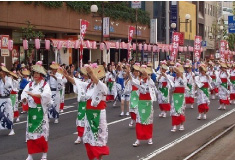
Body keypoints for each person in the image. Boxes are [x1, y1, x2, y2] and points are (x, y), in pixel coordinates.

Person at [63, 63, 109, 160]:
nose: (91, 77)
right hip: (88, 114)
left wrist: (92, 73)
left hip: (98, 114)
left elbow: (97, 81)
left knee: (98, 137)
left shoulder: (102, 86)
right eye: (91, 75)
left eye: (93, 75)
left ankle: (99, 158)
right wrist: (67, 76)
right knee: (89, 138)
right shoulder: (88, 85)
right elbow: (76, 82)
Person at [21, 61, 51, 160]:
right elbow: (24, 94)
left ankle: (44, 154)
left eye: (38, 73)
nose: (36, 75)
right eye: (34, 73)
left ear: (41, 75)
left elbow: (46, 96)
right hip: (32, 113)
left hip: (41, 112)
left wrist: (34, 95)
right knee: (30, 134)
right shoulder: (30, 84)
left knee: (42, 134)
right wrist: (24, 99)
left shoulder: (45, 85)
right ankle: (30, 154)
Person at [128, 65, 156, 147]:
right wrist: (128, 72)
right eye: (142, 74)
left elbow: (153, 85)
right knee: (139, 121)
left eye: (145, 74)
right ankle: (138, 139)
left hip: (148, 103)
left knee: (148, 120)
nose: (143, 75)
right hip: (140, 103)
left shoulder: (150, 81)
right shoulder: (138, 81)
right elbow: (132, 80)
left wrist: (147, 76)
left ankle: (149, 138)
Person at [170, 63, 187, 132]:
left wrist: (178, 70)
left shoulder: (184, 78)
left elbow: (184, 84)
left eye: (178, 72)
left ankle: (181, 125)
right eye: (175, 72)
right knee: (174, 110)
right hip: (175, 96)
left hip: (181, 96)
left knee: (181, 110)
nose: (176, 73)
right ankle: (174, 125)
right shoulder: (174, 79)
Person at [0, 64, 14, 136]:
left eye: (2, 71)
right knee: (1, 114)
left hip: (7, 98)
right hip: (1, 99)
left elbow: (9, 87)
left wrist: (3, 79)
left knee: (9, 114)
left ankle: (11, 129)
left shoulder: (9, 78)